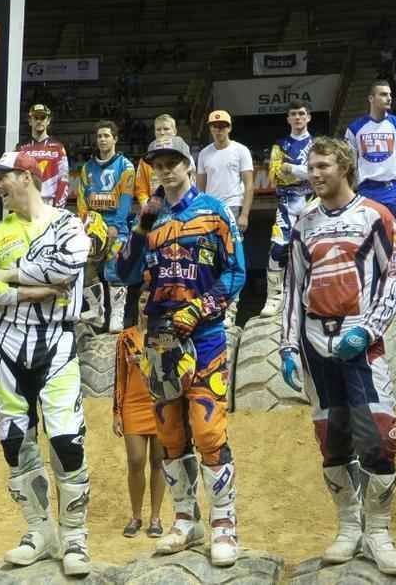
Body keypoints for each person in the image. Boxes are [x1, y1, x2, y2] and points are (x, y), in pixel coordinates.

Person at [278, 137, 396, 575]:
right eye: (310, 168)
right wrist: (288, 344)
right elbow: (291, 287)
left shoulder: (376, 216)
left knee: (378, 436)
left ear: (345, 167)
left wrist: (371, 329)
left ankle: (380, 533)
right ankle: (348, 527)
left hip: (360, 340)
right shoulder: (303, 222)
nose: (314, 174)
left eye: (322, 166)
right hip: (316, 343)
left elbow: (395, 278)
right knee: (332, 441)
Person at [115, 135, 246, 567]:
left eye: (174, 162)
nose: (166, 170)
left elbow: (236, 271)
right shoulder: (149, 217)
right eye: (159, 163)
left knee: (208, 432)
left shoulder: (214, 210)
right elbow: (122, 272)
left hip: (204, 335)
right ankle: (185, 518)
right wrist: (140, 223)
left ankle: (224, 523)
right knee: (170, 435)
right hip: (159, 341)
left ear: (190, 165)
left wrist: (201, 309)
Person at [0, 151, 93, 576]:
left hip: (57, 341)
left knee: (66, 440)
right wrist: (27, 292)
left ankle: (75, 539)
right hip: (8, 345)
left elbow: (68, 269)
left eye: (2, 178)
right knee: (15, 443)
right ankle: (40, 531)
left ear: (26, 176)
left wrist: (10, 274)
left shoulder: (69, 224)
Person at [113, 291, 165, 540]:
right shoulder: (125, 337)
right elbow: (119, 377)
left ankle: (155, 517)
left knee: (158, 462)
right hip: (133, 404)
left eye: (150, 300)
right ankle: (136, 516)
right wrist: (117, 412)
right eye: (142, 300)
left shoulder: (165, 335)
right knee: (135, 460)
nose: (146, 305)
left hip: (160, 403)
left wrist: (146, 358)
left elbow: (172, 367)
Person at [76, 119, 135, 332]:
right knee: (88, 267)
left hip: (115, 226)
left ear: (115, 139)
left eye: (106, 136)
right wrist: (85, 224)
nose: (102, 139)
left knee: (115, 270)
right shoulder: (87, 168)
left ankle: (116, 316)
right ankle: (96, 310)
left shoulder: (126, 166)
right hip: (93, 227)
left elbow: (127, 199)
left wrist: (117, 226)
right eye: (99, 136)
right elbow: (82, 198)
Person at [260, 100, 314, 318]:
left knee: (313, 250)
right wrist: (305, 171)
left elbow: (318, 173)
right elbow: (275, 174)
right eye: (294, 114)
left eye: (302, 113)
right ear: (288, 119)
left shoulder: (318, 145)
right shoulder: (279, 145)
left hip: (313, 202)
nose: (298, 117)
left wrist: (291, 168)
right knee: (278, 248)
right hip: (287, 204)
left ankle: (312, 295)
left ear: (308, 117)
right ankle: (274, 296)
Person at [343, 80, 396, 218]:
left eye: (390, 94)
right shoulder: (354, 128)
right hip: (365, 190)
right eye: (383, 94)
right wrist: (349, 191)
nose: (389, 98)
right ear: (371, 98)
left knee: (393, 237)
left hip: (392, 190)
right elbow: (349, 164)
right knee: (367, 237)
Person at [196, 109, 254, 233]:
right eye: (214, 126)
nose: (218, 130)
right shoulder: (203, 153)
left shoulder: (241, 150)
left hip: (233, 206)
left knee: (232, 248)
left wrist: (244, 215)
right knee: (209, 248)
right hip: (209, 207)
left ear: (229, 128)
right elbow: (200, 187)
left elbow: (249, 185)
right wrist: (200, 210)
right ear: (210, 129)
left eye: (222, 126)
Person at [18, 103, 70, 208]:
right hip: (27, 202)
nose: (39, 121)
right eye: (35, 117)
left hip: (49, 203)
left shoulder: (58, 148)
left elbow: (64, 179)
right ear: (30, 121)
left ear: (48, 121)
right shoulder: (20, 148)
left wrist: (59, 207)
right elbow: (15, 177)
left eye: (42, 117)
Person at [134, 114, 182, 208]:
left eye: (166, 129)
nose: (162, 133)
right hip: (154, 208)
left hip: (179, 206)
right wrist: (147, 207)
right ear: (154, 132)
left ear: (175, 131)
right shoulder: (146, 160)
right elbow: (141, 190)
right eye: (158, 129)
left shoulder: (184, 157)